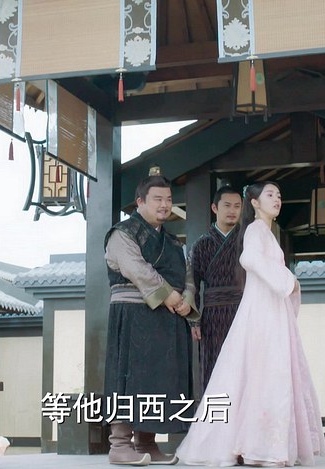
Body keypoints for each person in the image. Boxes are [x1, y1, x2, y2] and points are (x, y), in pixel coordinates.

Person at [176, 181, 325, 467]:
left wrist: (286, 282)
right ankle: (247, 443)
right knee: (238, 373)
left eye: (279, 195)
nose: (277, 199)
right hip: (222, 309)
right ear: (254, 203)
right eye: (270, 195)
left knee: (248, 374)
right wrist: (289, 281)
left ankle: (255, 442)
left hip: (250, 304)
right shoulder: (250, 232)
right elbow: (245, 260)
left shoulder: (259, 231)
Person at [104, 174, 201, 466]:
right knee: (127, 377)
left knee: (157, 379)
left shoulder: (172, 240)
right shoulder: (122, 233)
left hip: (167, 317)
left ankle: (147, 443)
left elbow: (187, 274)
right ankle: (120, 445)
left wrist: (187, 300)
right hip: (132, 314)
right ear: (140, 201)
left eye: (168, 199)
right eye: (157, 199)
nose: (164, 205)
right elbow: (136, 269)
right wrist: (169, 295)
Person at [189, 186, 243, 392]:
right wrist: (194, 321)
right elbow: (192, 285)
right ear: (214, 208)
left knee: (244, 368)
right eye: (227, 205)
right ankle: (215, 411)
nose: (232, 211)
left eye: (237, 206)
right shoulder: (201, 245)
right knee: (213, 367)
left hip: (243, 312)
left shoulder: (248, 241)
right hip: (213, 316)